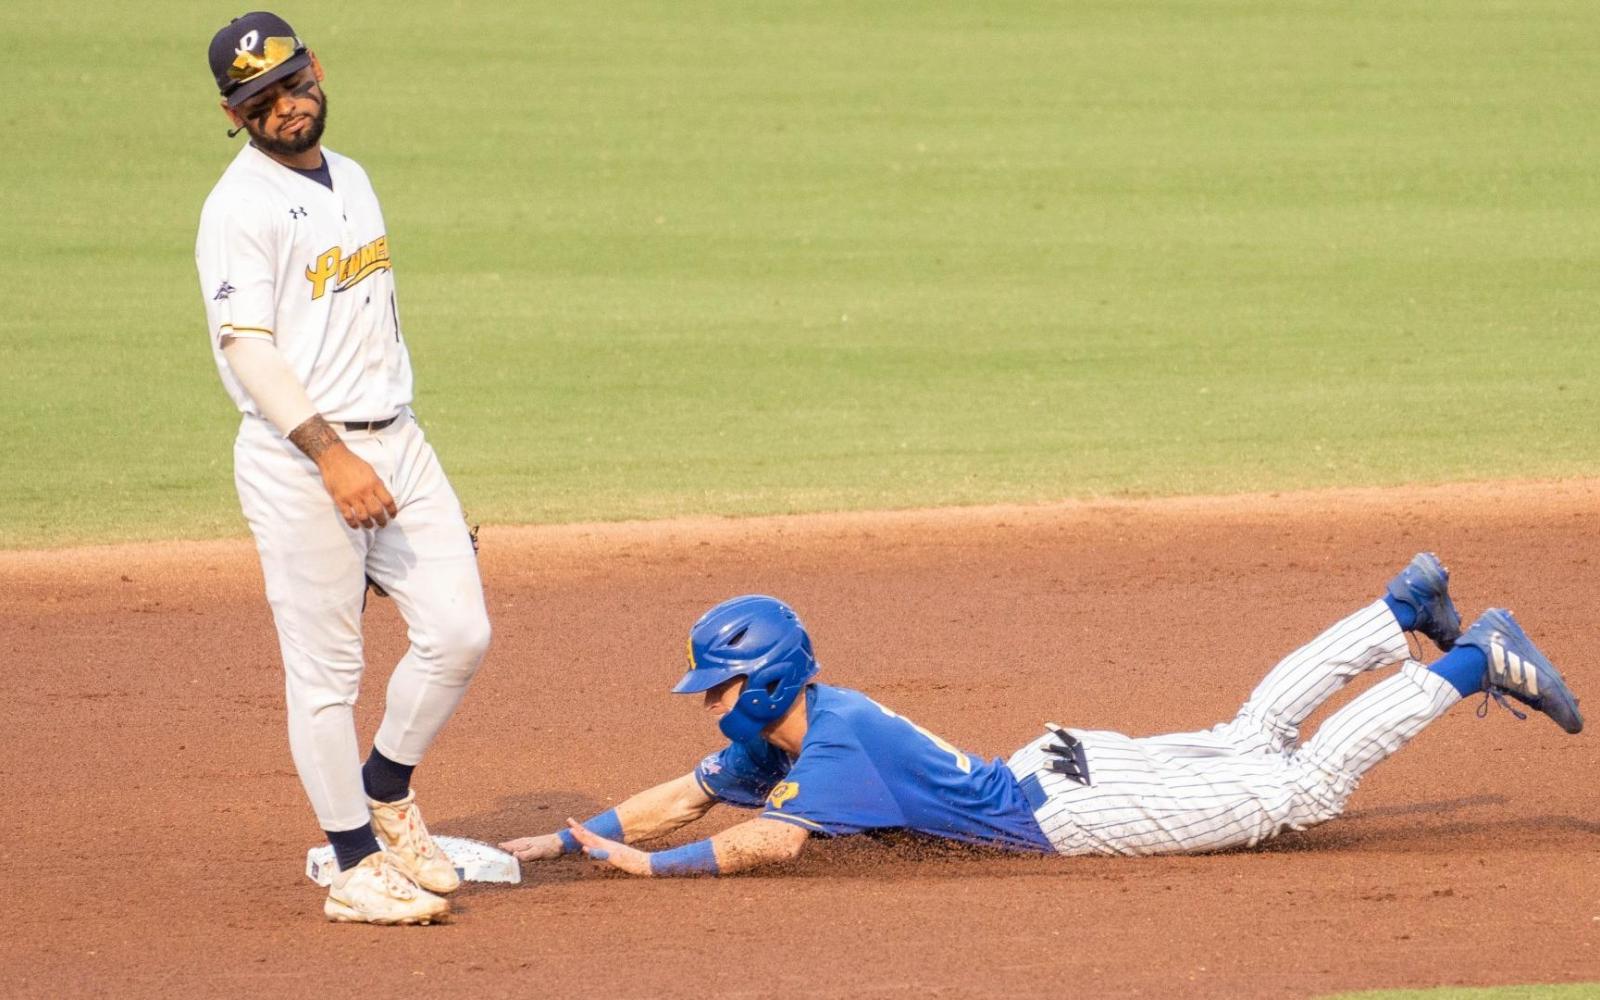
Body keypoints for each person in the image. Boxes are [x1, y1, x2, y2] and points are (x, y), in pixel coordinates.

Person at [502, 554, 1580, 875]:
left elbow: (761, 842)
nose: (714, 707)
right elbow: (686, 796)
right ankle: (1397, 610)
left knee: (1297, 787)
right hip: (1061, 768)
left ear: (771, 684)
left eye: (722, 689)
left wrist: (654, 870)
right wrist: (562, 840)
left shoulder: (824, 751)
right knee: (1252, 734)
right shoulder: (800, 727)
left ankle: (1472, 657)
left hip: (1069, 811)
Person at [195, 12, 491, 924]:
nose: (284, 107)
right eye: (260, 100)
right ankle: (353, 862)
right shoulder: (238, 208)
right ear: (233, 114)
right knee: (326, 673)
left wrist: (389, 450)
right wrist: (331, 459)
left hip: (398, 438)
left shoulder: (352, 177)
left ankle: (386, 792)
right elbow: (247, 348)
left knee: (459, 630)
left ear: (316, 68)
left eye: (291, 84)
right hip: (303, 459)